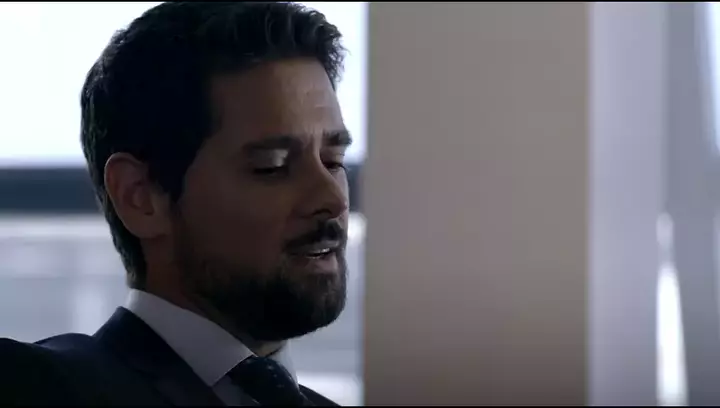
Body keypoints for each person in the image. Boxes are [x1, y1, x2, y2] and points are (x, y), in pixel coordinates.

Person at [0, 2, 351, 406]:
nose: (332, 198)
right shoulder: (37, 386)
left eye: (333, 161)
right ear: (140, 196)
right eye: (271, 166)